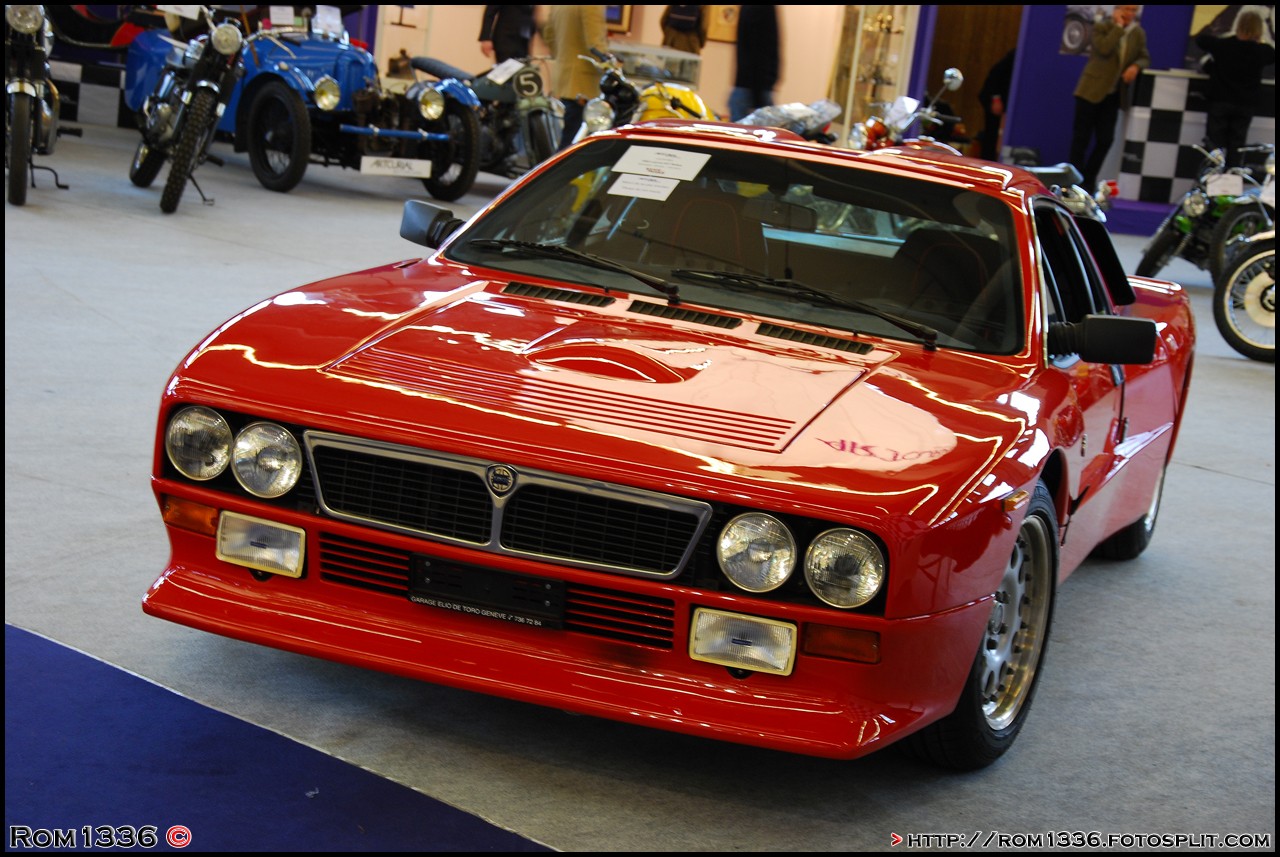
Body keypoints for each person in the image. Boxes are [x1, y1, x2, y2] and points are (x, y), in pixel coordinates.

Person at [1068, 4, 1149, 192]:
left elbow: (1145, 56)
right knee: (1081, 139)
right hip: (1090, 91)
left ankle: (1088, 181)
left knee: (1105, 140)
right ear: (1117, 9)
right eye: (1126, 9)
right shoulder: (1102, 26)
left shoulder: (1137, 33)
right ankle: (1072, 182)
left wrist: (1136, 66)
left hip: (1113, 95)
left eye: (1133, 11)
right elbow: (1104, 48)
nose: (1130, 14)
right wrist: (1118, 27)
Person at [1195, 10, 1276, 169]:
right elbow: (1272, 53)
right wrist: (1258, 39)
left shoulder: (1223, 45)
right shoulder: (1261, 51)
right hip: (1245, 104)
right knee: (1237, 144)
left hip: (1220, 100)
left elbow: (1201, 40)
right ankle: (1232, 175)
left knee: (1214, 142)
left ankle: (1212, 175)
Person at [541, 5, 609, 149]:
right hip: (583, 81)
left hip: (565, 75)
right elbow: (595, 44)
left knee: (569, 135)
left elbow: (549, 35)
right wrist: (609, 64)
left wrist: (564, 59)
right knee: (576, 142)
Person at [728, 5, 779, 121]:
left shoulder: (754, 8)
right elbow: (761, 48)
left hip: (750, 85)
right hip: (754, 86)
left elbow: (757, 48)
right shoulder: (760, 8)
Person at [976, 48, 1015, 162]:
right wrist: (996, 98)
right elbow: (995, 75)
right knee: (992, 135)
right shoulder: (1013, 57)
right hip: (994, 99)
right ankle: (987, 162)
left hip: (1006, 104)